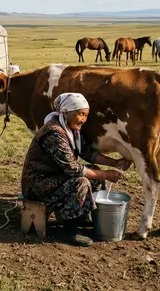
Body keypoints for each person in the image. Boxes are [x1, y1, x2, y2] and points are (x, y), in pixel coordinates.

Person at [21, 92, 131, 247]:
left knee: (93, 172)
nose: (84, 119)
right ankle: (69, 230)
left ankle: (80, 216)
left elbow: (87, 152)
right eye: (81, 114)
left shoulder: (71, 129)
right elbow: (73, 168)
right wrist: (106, 174)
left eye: (86, 115)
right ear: (67, 112)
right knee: (81, 182)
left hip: (53, 177)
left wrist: (115, 163)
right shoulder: (54, 133)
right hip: (36, 184)